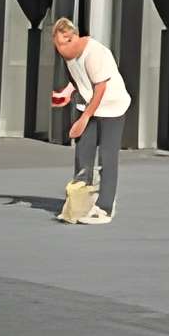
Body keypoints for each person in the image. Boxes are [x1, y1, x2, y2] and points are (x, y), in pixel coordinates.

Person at [47, 18, 130, 226]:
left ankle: (105, 208)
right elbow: (78, 78)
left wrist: (83, 120)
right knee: (83, 153)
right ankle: (81, 204)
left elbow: (100, 89)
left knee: (107, 157)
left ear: (71, 38)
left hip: (112, 107)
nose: (58, 51)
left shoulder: (95, 54)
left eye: (60, 45)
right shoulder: (69, 53)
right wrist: (67, 92)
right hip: (88, 105)